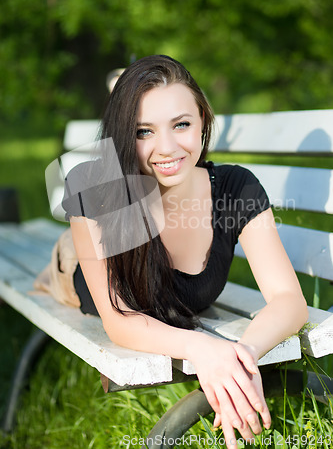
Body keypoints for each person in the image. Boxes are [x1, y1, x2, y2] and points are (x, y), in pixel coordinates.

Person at [62, 55, 308, 448]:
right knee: (66, 256)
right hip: (79, 266)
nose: (167, 148)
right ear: (125, 137)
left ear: (202, 120)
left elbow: (288, 300)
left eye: (181, 124)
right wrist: (205, 348)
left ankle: (122, 89)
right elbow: (119, 319)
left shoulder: (235, 189)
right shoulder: (94, 189)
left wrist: (239, 355)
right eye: (143, 131)